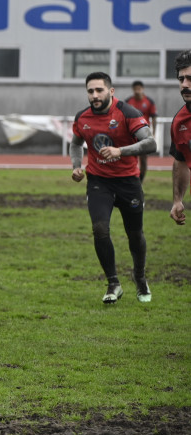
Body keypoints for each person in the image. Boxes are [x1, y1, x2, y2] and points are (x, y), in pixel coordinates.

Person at [70, 71, 156, 304]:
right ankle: (113, 283)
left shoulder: (128, 112)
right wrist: (77, 166)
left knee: (135, 234)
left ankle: (139, 277)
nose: (95, 95)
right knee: (100, 229)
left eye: (99, 90)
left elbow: (150, 143)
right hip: (99, 182)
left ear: (111, 91)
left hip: (129, 182)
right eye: (90, 91)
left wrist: (121, 151)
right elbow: (76, 142)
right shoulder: (82, 117)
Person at [169, 51, 191, 226]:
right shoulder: (179, 122)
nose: (185, 84)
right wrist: (177, 200)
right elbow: (181, 161)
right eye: (181, 79)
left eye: (190, 78)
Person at [125, 80, 158, 182]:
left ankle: (140, 181)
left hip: (143, 134)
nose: (137, 91)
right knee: (129, 158)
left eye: (139, 89)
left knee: (143, 159)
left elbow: (154, 118)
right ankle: (130, 179)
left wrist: (153, 134)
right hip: (131, 134)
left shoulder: (149, 102)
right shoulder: (128, 102)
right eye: (135, 89)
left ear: (142, 89)